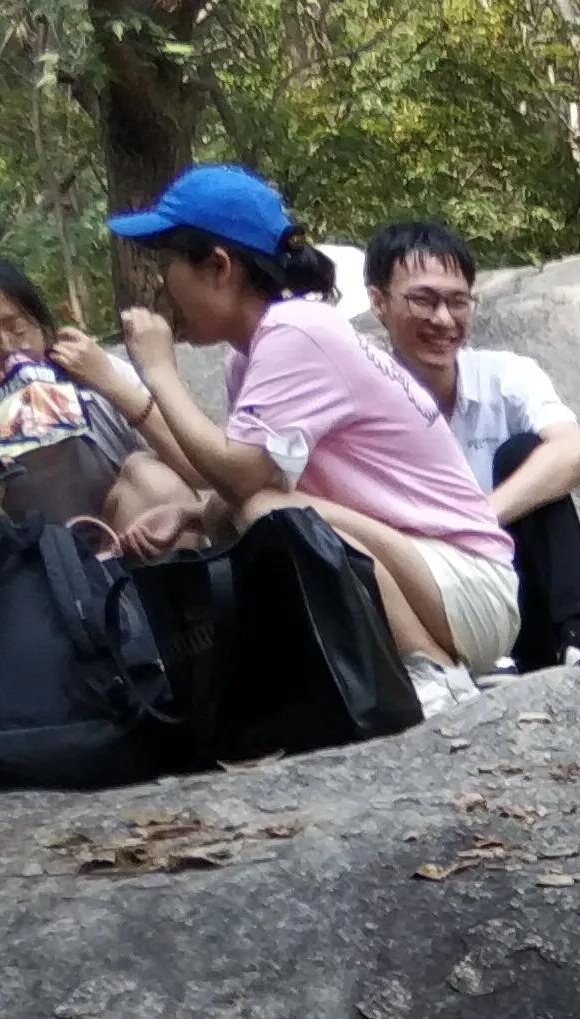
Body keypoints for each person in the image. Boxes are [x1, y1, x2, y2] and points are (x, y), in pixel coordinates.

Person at [83, 164, 516, 703]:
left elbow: (246, 479)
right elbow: (247, 472)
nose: (160, 283)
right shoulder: (258, 353)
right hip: (433, 578)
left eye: (167, 262)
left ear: (219, 266)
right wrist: (194, 514)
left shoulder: (297, 332)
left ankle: (427, 671)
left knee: (271, 514)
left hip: (467, 586)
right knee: (259, 512)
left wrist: (158, 372)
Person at [363, 218, 580, 673]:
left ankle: (579, 634)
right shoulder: (363, 393)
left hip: (523, 606)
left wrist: (474, 520)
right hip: (436, 611)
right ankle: (463, 655)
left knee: (526, 453)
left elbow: (575, 451)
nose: (443, 319)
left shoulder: (505, 375)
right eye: (423, 300)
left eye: (457, 301)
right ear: (378, 301)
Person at [0, 250, 210, 549]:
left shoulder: (97, 374)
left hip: (126, 545)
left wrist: (112, 385)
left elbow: (201, 471)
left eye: (19, 329)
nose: (8, 349)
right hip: (35, 569)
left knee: (152, 477)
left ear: (44, 329)